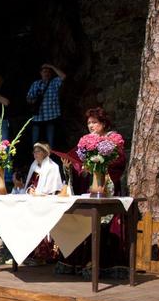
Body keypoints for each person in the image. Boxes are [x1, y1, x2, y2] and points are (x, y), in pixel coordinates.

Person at [58, 107, 128, 274]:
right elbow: (80, 169)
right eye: (89, 123)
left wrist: (101, 164)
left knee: (105, 227)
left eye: (94, 122)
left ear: (103, 123)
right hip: (90, 188)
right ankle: (81, 262)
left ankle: (102, 265)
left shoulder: (113, 139)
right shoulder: (86, 142)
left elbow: (119, 162)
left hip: (107, 188)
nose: (91, 126)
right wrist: (69, 166)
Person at [26, 63, 66, 149]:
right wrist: (33, 100)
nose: (46, 73)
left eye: (48, 72)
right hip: (38, 116)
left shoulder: (54, 82)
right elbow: (28, 98)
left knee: (50, 140)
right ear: (41, 73)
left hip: (51, 115)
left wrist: (51, 66)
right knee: (35, 140)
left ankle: (50, 155)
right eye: (44, 71)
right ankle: (35, 155)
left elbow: (63, 76)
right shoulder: (36, 84)